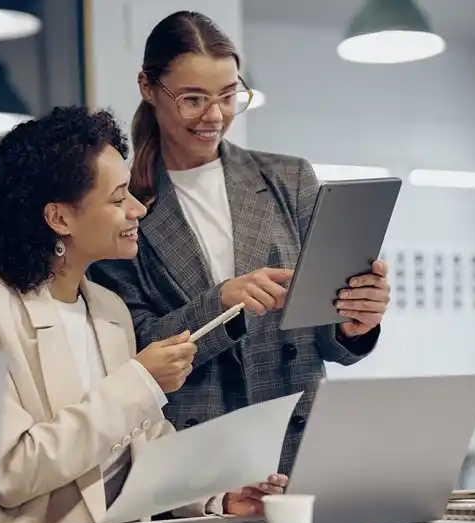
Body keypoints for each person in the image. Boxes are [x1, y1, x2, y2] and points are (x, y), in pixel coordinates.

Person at [0, 106, 286, 523]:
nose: (138, 209)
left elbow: (141, 444)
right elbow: (12, 474)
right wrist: (141, 381)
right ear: (60, 218)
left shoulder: (109, 309)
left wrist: (218, 496)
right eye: (118, 197)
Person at [89, 11, 393, 476]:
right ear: (148, 88)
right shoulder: (124, 203)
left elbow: (324, 337)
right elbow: (131, 346)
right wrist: (222, 303)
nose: (214, 116)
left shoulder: (289, 180)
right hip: (192, 453)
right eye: (193, 99)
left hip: (297, 443)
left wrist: (357, 320)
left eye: (229, 96)